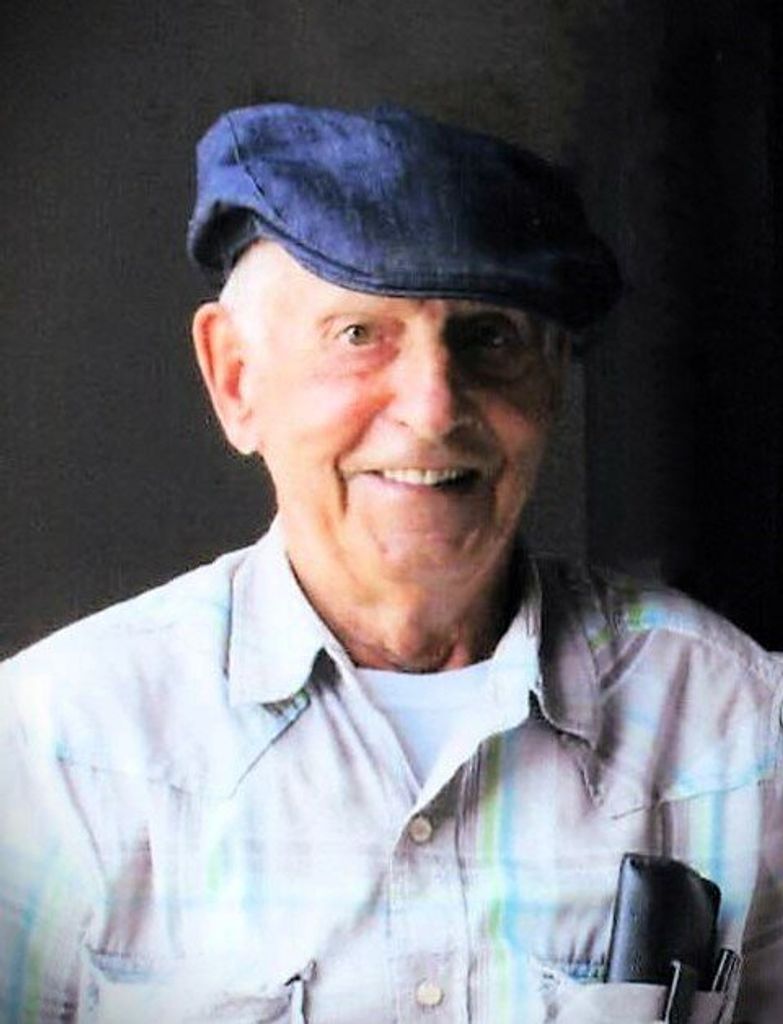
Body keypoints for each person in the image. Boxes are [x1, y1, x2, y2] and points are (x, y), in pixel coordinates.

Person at [1, 102, 781, 1024]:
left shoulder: (736, 723)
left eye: (488, 336)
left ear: (553, 379)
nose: (433, 408)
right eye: (357, 334)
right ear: (236, 379)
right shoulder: (56, 750)